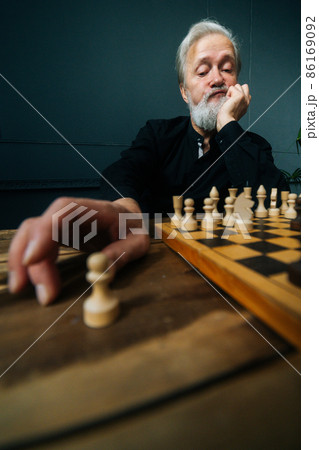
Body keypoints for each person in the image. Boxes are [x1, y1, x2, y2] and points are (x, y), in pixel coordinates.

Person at [8, 19, 288, 306]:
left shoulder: (252, 146)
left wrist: (228, 124)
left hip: (233, 272)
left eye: (227, 69)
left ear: (237, 85)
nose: (217, 78)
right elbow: (124, 171)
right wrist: (125, 208)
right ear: (183, 91)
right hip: (153, 266)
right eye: (203, 71)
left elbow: (274, 204)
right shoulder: (158, 134)